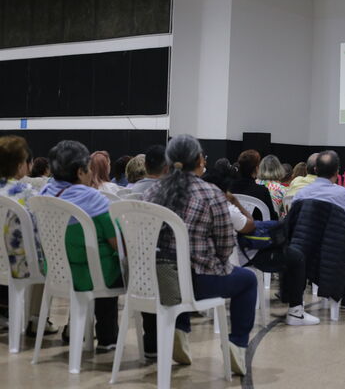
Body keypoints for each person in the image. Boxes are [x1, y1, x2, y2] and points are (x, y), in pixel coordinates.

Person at [143, 135, 257, 376]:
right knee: (247, 280)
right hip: (197, 282)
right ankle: (237, 344)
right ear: (198, 160)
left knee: (176, 265)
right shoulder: (210, 193)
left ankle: (180, 330)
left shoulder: (153, 192)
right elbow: (226, 248)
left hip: (153, 281)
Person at [41, 140, 123, 351]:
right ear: (80, 172)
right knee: (114, 267)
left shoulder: (44, 195)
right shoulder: (94, 200)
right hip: (92, 277)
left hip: (56, 273)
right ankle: (108, 339)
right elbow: (117, 243)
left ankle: (75, 327)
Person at [0, 136, 59, 337]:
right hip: (17, 265)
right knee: (46, 257)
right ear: (19, 166)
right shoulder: (26, 192)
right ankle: (36, 319)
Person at [294, 150, 345, 309]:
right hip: (335, 252)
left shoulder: (301, 194)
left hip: (306, 249)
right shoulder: (342, 194)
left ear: (315, 170)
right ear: (337, 172)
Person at [229, 150, 278, 221]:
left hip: (232, 229)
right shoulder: (262, 192)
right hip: (255, 230)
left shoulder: (228, 188)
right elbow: (272, 218)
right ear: (257, 168)